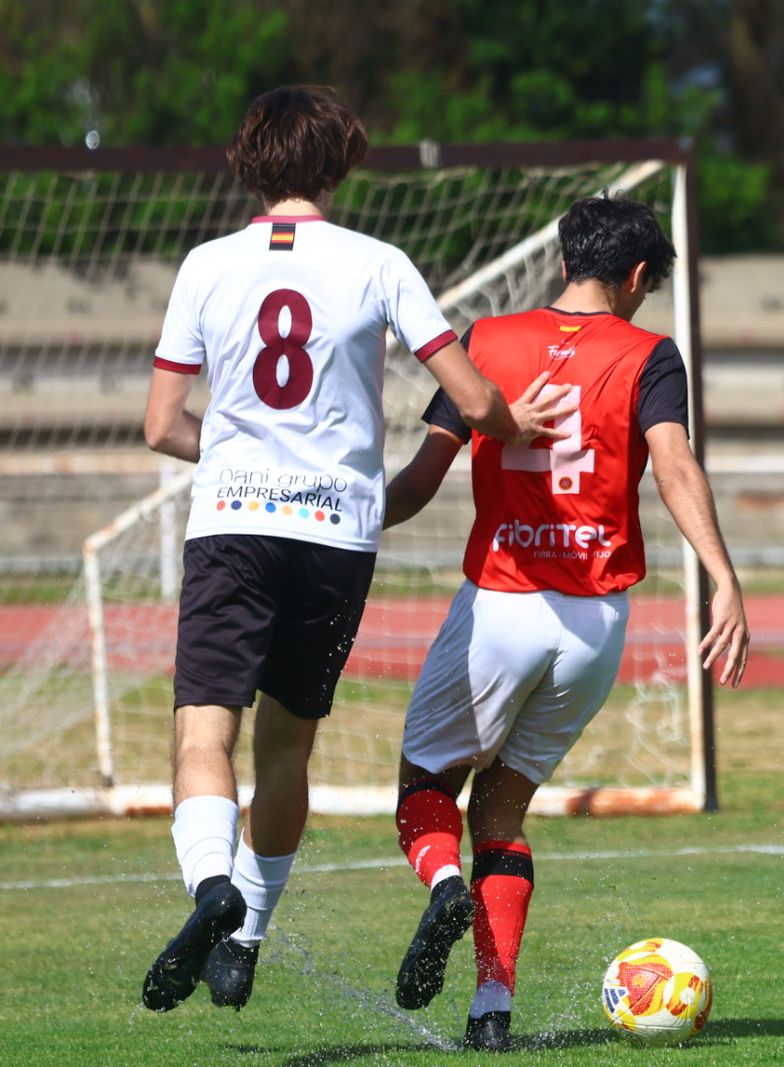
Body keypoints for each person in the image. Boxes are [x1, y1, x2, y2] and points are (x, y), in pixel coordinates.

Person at [139, 85, 573, 1014]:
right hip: (338, 532)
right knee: (287, 746)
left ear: (248, 162)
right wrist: (510, 418)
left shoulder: (206, 265)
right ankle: (248, 932)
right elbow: (469, 390)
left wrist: (235, 448)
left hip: (234, 523)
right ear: (339, 163)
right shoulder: (379, 262)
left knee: (202, 732)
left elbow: (160, 424)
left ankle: (210, 885)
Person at [382, 193, 749, 1051]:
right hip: (594, 628)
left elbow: (423, 476)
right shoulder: (651, 353)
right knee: (504, 811)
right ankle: (491, 1003)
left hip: (500, 607)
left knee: (425, 790)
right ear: (633, 277)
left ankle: (442, 886)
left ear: (561, 264)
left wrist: (349, 529)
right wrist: (724, 576)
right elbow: (674, 464)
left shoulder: (485, 342)